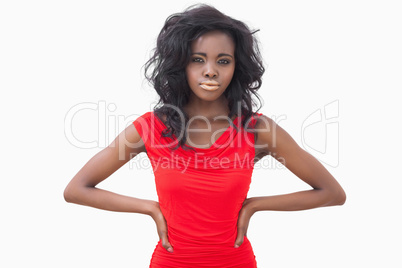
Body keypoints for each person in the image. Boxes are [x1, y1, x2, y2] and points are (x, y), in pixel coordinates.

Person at [64, 4, 346, 268]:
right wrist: (149, 208)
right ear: (180, 65)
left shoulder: (257, 130)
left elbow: (332, 193)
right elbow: (77, 189)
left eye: (223, 61)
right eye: (198, 60)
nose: (210, 71)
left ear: (236, 67)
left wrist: (255, 205)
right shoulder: (150, 128)